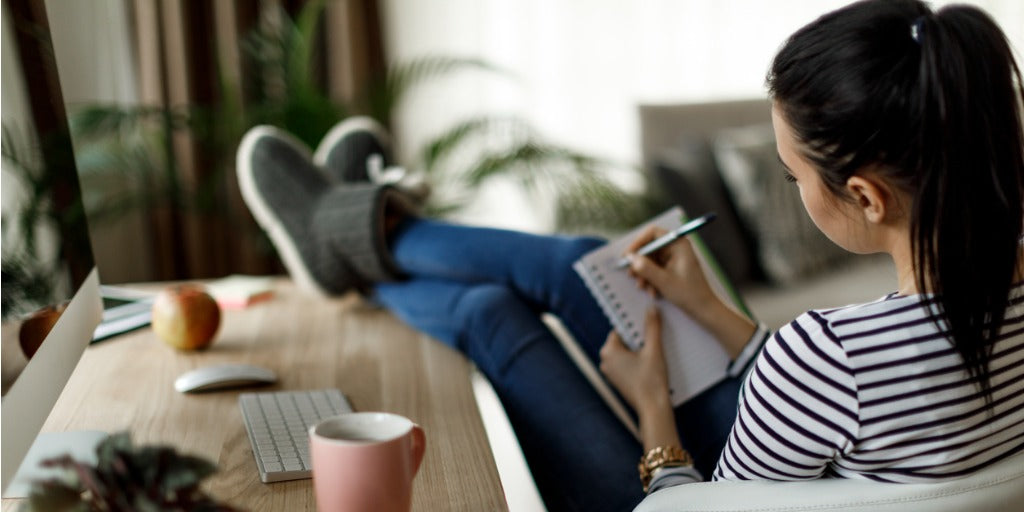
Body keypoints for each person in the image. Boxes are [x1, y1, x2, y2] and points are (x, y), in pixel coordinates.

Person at [235, 0, 1024, 509]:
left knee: (492, 313)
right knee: (585, 260)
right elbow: (835, 409)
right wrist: (712, 312)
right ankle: (364, 241)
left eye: (794, 175)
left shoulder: (828, 355)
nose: (794, 189)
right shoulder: (903, 333)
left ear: (867, 197)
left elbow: (701, 503)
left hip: (676, 496)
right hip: (826, 466)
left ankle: (353, 240)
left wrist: (651, 407)